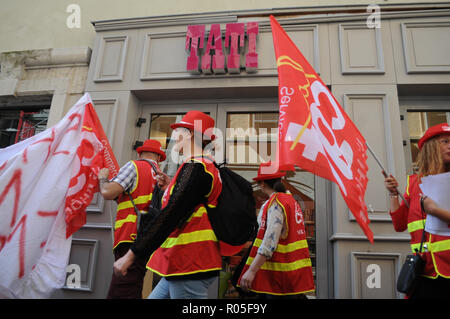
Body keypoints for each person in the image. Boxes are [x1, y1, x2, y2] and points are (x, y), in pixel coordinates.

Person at [113, 110, 223, 299]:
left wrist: (132, 255)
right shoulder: (202, 165)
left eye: (178, 130)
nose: (174, 135)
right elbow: (188, 205)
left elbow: (171, 215)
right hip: (182, 260)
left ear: (189, 134)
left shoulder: (197, 167)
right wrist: (169, 188)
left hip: (189, 261)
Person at [384, 122, 450, 299]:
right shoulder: (413, 183)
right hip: (423, 273)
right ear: (431, 148)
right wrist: (393, 195)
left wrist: (435, 211)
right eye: (445, 141)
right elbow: (399, 225)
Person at [97, 139, 166, 299]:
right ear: (158, 157)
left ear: (140, 152)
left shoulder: (134, 166)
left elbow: (107, 192)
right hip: (147, 238)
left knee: (122, 290)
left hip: (129, 237)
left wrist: (103, 178)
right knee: (132, 287)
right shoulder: (160, 176)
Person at [238, 161, 315, 298]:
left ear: (262, 184)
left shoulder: (276, 203)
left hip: (278, 276)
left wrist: (252, 270)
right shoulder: (290, 201)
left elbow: (269, 241)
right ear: (280, 180)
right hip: (291, 274)